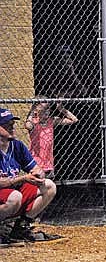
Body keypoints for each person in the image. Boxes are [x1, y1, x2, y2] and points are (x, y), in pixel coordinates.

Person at [0, 108, 57, 242]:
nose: (12, 128)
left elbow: (36, 168)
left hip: (12, 192)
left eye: (12, 124)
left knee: (48, 186)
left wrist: (39, 174)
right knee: (15, 197)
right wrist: (23, 178)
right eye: (6, 125)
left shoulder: (17, 146)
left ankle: (21, 227)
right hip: (7, 194)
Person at [25, 97, 79, 179]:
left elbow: (74, 120)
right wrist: (32, 112)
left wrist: (61, 109)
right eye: (43, 110)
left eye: (48, 109)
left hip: (48, 163)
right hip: (36, 162)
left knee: (49, 186)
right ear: (36, 110)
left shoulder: (51, 121)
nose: (47, 112)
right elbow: (28, 126)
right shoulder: (34, 122)